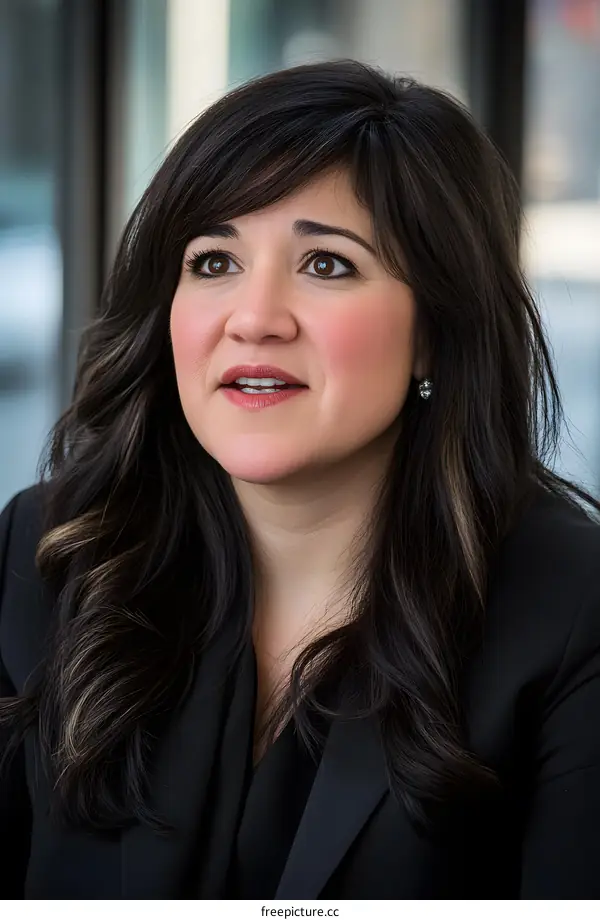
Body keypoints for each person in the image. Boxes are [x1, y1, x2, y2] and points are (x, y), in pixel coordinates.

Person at [1, 59, 600, 900]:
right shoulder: (53, 552)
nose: (253, 318)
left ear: (436, 330)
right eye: (213, 262)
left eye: (326, 265)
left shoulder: (572, 608)